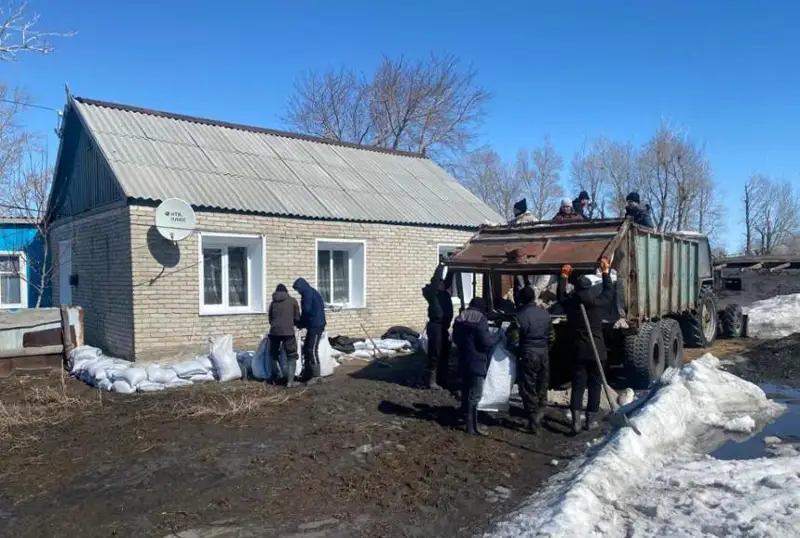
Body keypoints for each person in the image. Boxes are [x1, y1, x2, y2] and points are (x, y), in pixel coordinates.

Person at [557, 258, 615, 434]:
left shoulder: (572, 305)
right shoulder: (598, 302)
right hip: (597, 350)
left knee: (578, 385)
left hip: (579, 351)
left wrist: (563, 276)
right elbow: (609, 291)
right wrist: (605, 272)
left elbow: (560, 296)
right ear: (590, 288)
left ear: (576, 289)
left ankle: (575, 422)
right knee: (595, 385)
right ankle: (590, 421)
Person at [507, 286, 553, 434]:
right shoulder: (545, 314)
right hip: (543, 353)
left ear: (521, 299)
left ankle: (533, 420)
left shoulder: (519, 317)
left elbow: (513, 341)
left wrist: (518, 352)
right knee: (542, 383)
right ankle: (540, 411)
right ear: (533, 297)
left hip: (528, 353)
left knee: (528, 387)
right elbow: (552, 337)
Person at [452, 297, 501, 435]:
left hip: (463, 359)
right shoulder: (481, 319)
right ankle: (472, 426)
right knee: (476, 395)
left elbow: (455, 339)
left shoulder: (460, 317)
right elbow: (486, 342)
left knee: (466, 390)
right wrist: (497, 337)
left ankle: (465, 416)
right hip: (477, 361)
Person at [422, 259, 454, 389]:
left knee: (445, 352)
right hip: (435, 326)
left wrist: (452, 267)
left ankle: (443, 378)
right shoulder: (432, 294)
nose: (442, 284)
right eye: (440, 282)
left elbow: (448, 281)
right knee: (435, 352)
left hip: (444, 327)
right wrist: (442, 266)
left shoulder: (444, 294)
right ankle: (431, 380)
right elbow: (436, 280)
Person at [292, 278, 327, 383]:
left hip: (316, 325)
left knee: (311, 349)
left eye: (298, 289)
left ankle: (317, 376)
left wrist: (301, 322)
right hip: (313, 324)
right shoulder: (310, 292)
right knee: (307, 348)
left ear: (301, 287)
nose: (298, 292)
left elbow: (307, 311)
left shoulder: (307, 294)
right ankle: (307, 374)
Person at [267, 283, 301, 387]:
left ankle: (275, 377)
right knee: (291, 355)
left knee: (273, 354)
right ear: (286, 292)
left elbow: (270, 318)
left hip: (274, 332)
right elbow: (297, 317)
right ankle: (290, 382)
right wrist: (294, 324)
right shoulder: (292, 301)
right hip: (288, 332)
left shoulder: (273, 303)